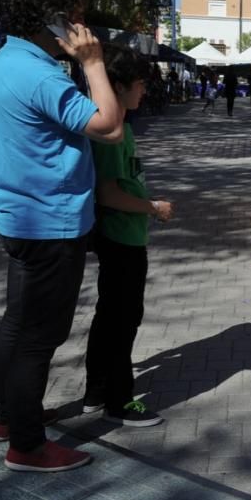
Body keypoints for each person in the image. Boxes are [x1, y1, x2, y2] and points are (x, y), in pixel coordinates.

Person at [0, 0, 125, 472]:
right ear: (57, 20)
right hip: (49, 223)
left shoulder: (3, 61)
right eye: (77, 18)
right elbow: (108, 126)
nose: (83, 28)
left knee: (18, 325)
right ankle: (27, 444)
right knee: (39, 337)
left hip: (21, 217)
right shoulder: (37, 73)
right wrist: (93, 62)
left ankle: (7, 418)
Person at [82, 46, 174, 428]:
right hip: (119, 237)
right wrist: (153, 207)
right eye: (139, 84)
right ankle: (119, 400)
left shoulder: (123, 127)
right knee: (122, 319)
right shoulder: (111, 133)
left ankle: (96, 390)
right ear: (117, 86)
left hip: (127, 236)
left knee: (111, 316)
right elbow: (108, 194)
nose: (144, 92)